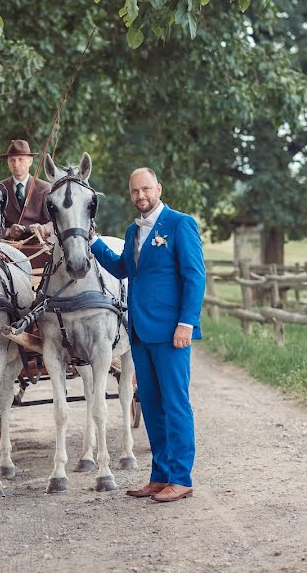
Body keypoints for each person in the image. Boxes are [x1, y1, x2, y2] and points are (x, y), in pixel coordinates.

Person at [89, 168, 206, 503]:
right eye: (134, 192)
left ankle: (181, 478)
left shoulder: (180, 224)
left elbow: (195, 276)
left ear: (158, 188)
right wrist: (93, 241)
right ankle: (160, 476)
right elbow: (124, 268)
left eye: (145, 190)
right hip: (139, 330)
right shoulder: (132, 229)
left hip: (171, 332)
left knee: (175, 404)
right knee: (152, 405)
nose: (140, 196)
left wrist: (186, 322)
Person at [1, 139, 53, 244]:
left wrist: (43, 229)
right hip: (7, 249)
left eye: (21, 159)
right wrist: (8, 232)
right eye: (12, 160)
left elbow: (55, 222)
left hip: (39, 247)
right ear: (8, 163)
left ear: (30, 161)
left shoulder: (44, 188)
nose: (16, 164)